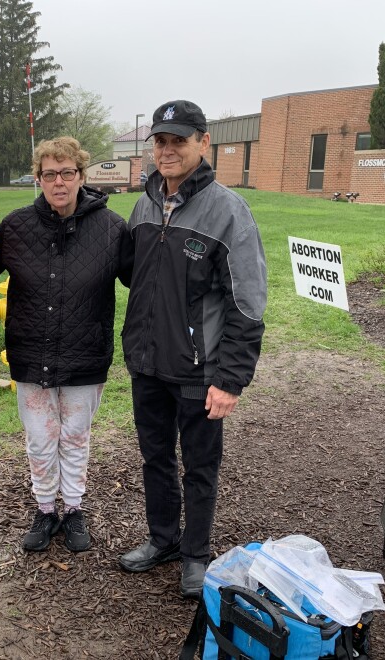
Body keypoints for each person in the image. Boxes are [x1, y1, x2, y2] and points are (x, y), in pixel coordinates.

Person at [118, 100, 267, 598]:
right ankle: (162, 539)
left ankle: (195, 555)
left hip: (201, 373)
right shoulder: (143, 205)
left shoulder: (229, 211)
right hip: (148, 364)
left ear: (203, 143)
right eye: (160, 141)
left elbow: (247, 304)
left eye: (178, 140)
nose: (167, 150)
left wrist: (230, 379)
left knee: (200, 466)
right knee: (154, 458)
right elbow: (134, 278)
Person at [0, 136, 133, 553]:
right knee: (40, 437)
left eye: (67, 173)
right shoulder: (16, 227)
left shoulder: (111, 229)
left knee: (75, 436)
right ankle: (43, 508)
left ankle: (72, 508)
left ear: (81, 176)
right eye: (49, 174)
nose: (58, 182)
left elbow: (142, 282)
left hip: (84, 354)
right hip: (30, 353)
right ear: (38, 178)